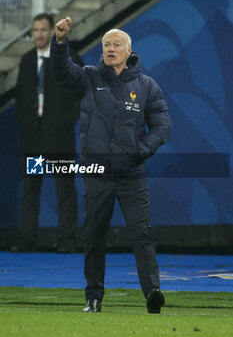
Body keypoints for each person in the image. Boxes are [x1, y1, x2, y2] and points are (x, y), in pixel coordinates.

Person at [50, 17, 172, 313]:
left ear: (130, 51)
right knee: (93, 235)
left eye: (117, 44)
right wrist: (60, 42)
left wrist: (139, 151)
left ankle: (152, 292)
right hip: (97, 175)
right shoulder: (89, 77)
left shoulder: (146, 86)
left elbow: (162, 126)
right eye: (106, 45)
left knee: (141, 234)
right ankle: (93, 297)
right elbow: (62, 71)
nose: (110, 49)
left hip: (132, 174)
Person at [14, 13, 84, 253]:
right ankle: (27, 241)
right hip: (34, 141)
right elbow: (21, 97)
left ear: (53, 32)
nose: (39, 35)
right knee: (30, 192)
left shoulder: (70, 58)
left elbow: (80, 93)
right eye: (35, 30)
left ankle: (67, 240)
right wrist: (25, 122)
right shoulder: (25, 61)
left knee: (64, 192)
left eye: (43, 30)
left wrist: (65, 122)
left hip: (60, 141)